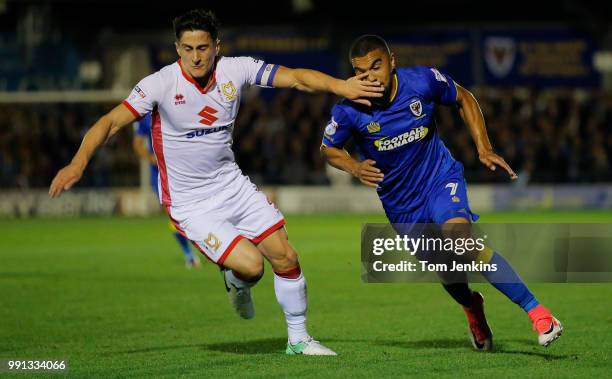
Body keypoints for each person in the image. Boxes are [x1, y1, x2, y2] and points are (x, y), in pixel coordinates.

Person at [49, 10, 384, 356]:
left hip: (232, 187)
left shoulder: (235, 70)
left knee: (286, 256)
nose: (196, 56)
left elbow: (296, 77)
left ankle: (298, 340)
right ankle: (236, 280)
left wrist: (341, 86)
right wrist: (78, 163)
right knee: (252, 267)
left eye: (203, 47)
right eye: (188, 48)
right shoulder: (160, 84)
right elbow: (109, 122)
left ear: (216, 47)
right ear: (177, 49)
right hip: (190, 204)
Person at [320, 35, 563, 350]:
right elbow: (328, 149)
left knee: (461, 241)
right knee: (448, 270)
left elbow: (463, 97)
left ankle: (539, 313)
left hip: (439, 179)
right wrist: (353, 167)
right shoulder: (349, 110)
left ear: (392, 60)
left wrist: (484, 147)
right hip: (402, 206)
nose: (370, 77)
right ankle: (472, 307)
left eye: (376, 66)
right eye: (361, 71)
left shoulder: (422, 81)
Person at [132, 113, 200, 269]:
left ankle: (211, 247)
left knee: (195, 211)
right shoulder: (146, 117)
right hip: (160, 174)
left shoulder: (180, 107)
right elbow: (137, 144)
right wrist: (151, 158)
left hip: (184, 169)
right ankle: (189, 254)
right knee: (174, 214)